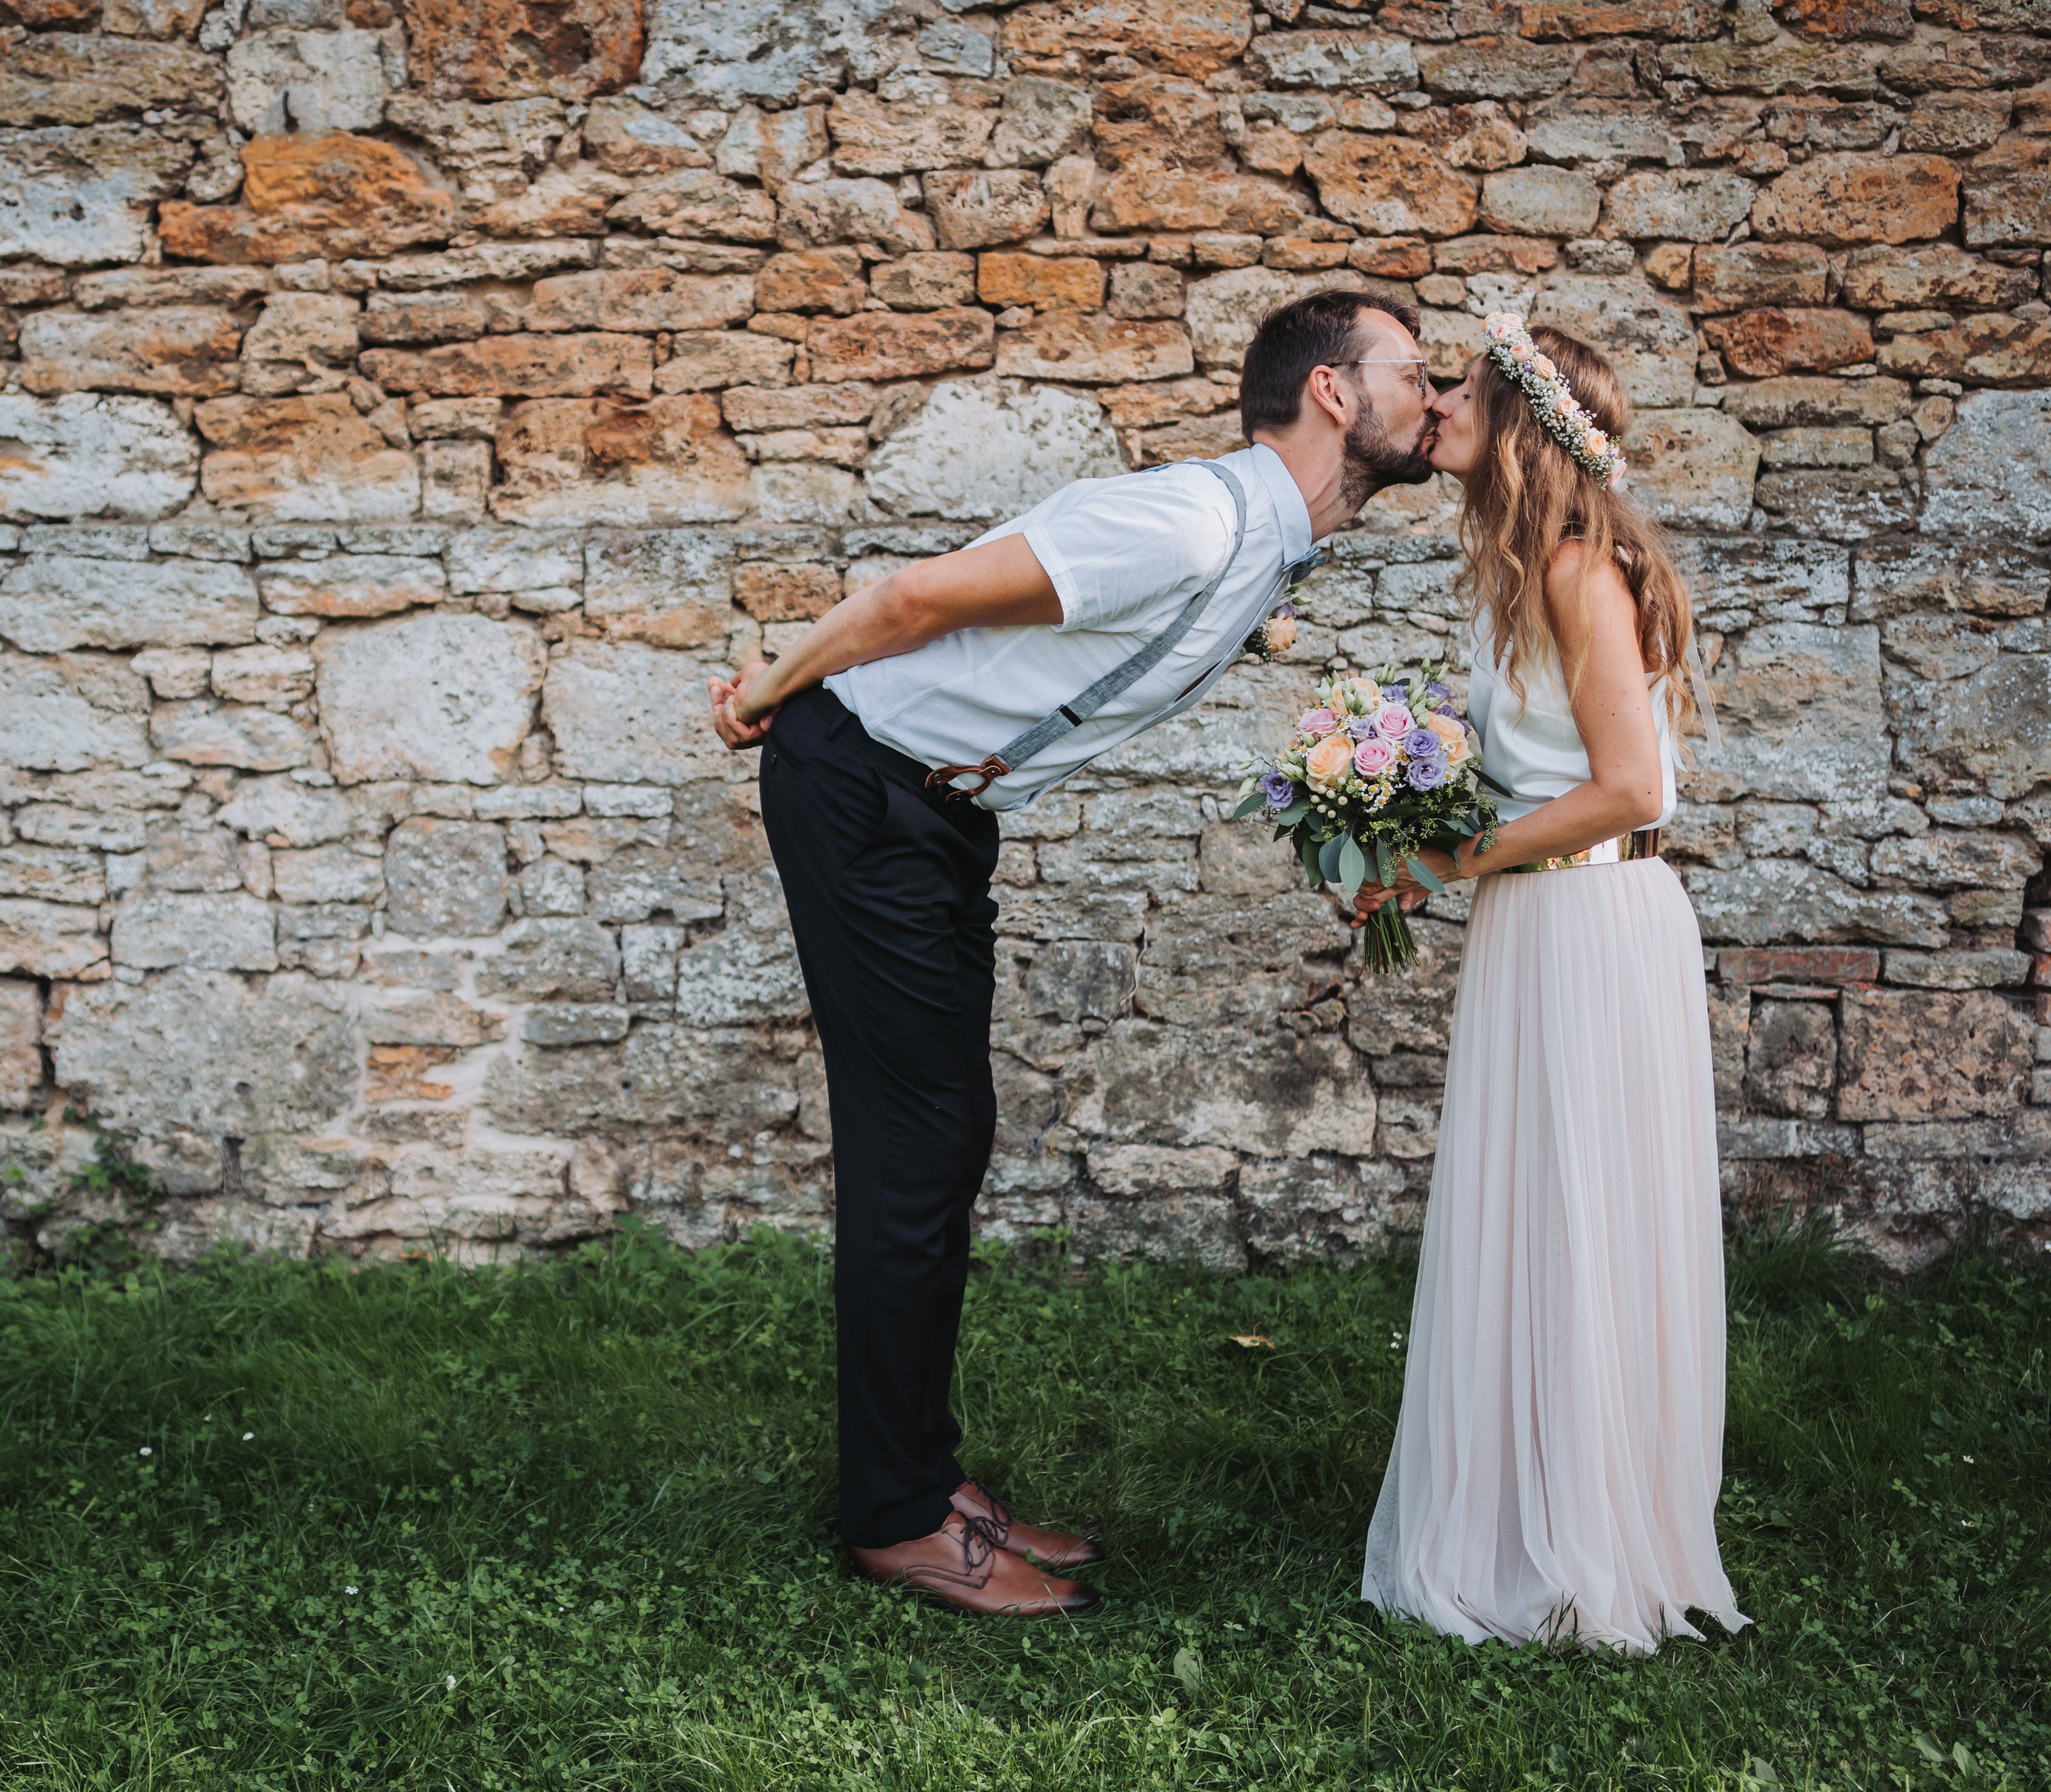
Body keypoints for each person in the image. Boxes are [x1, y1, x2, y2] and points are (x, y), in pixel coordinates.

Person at [705, 291, 1440, 1617]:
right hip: (865, 788)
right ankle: (895, 1518)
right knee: (916, 1148)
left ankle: (922, 1481)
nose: (1435, 395)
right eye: (1414, 370)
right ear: (1333, 392)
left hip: (933, 815)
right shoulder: (1195, 518)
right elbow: (921, 595)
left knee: (945, 1139)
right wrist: (766, 694)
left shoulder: (1260, 545)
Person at [1351, 320, 1749, 1653]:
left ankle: (1588, 1526)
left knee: (1587, 1209)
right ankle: (1514, 1502)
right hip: (1536, 924)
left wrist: (1446, 858)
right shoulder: (1512, 576)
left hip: (1594, 919)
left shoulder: (1584, 571)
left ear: (1523, 426)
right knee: (1527, 1207)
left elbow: (1632, 789)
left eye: (1461, 385)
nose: (1437, 402)